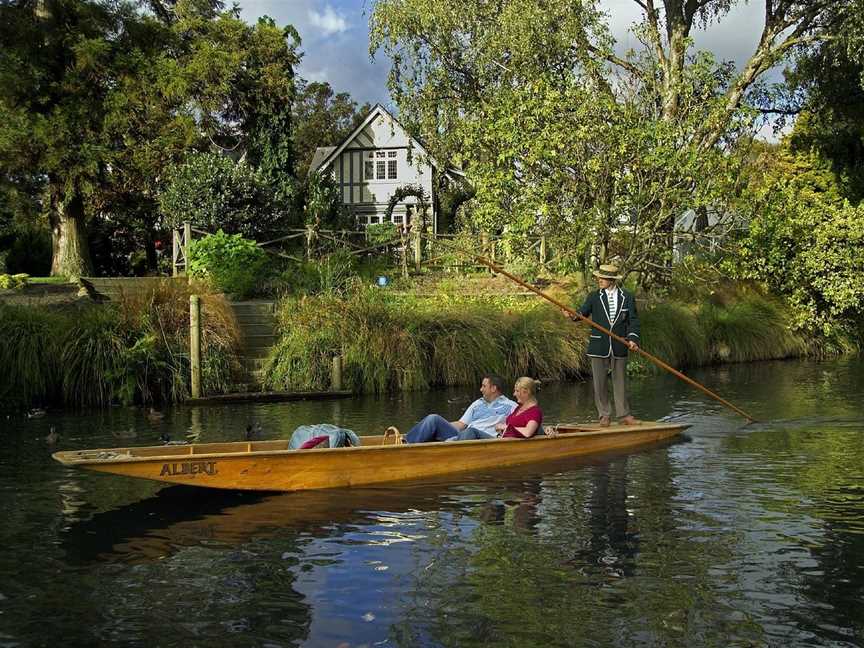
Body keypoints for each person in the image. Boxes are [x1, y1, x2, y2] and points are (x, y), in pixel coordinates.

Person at [573, 263, 640, 427]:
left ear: (612, 280)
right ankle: (604, 414)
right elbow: (582, 312)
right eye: (599, 277)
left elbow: (633, 320)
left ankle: (624, 415)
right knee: (599, 382)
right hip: (598, 344)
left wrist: (633, 339)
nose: (599, 280)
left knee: (620, 381)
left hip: (619, 343)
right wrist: (572, 315)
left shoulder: (627, 297)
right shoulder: (594, 296)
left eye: (603, 278)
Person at [405, 374, 516, 443]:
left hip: (485, 439)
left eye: (484, 386)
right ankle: (407, 444)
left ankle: (449, 446)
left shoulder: (510, 406)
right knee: (433, 419)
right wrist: (438, 427)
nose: (481, 389)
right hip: (464, 437)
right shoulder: (478, 403)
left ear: (493, 388)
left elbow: (521, 424)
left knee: (471, 431)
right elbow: (461, 424)